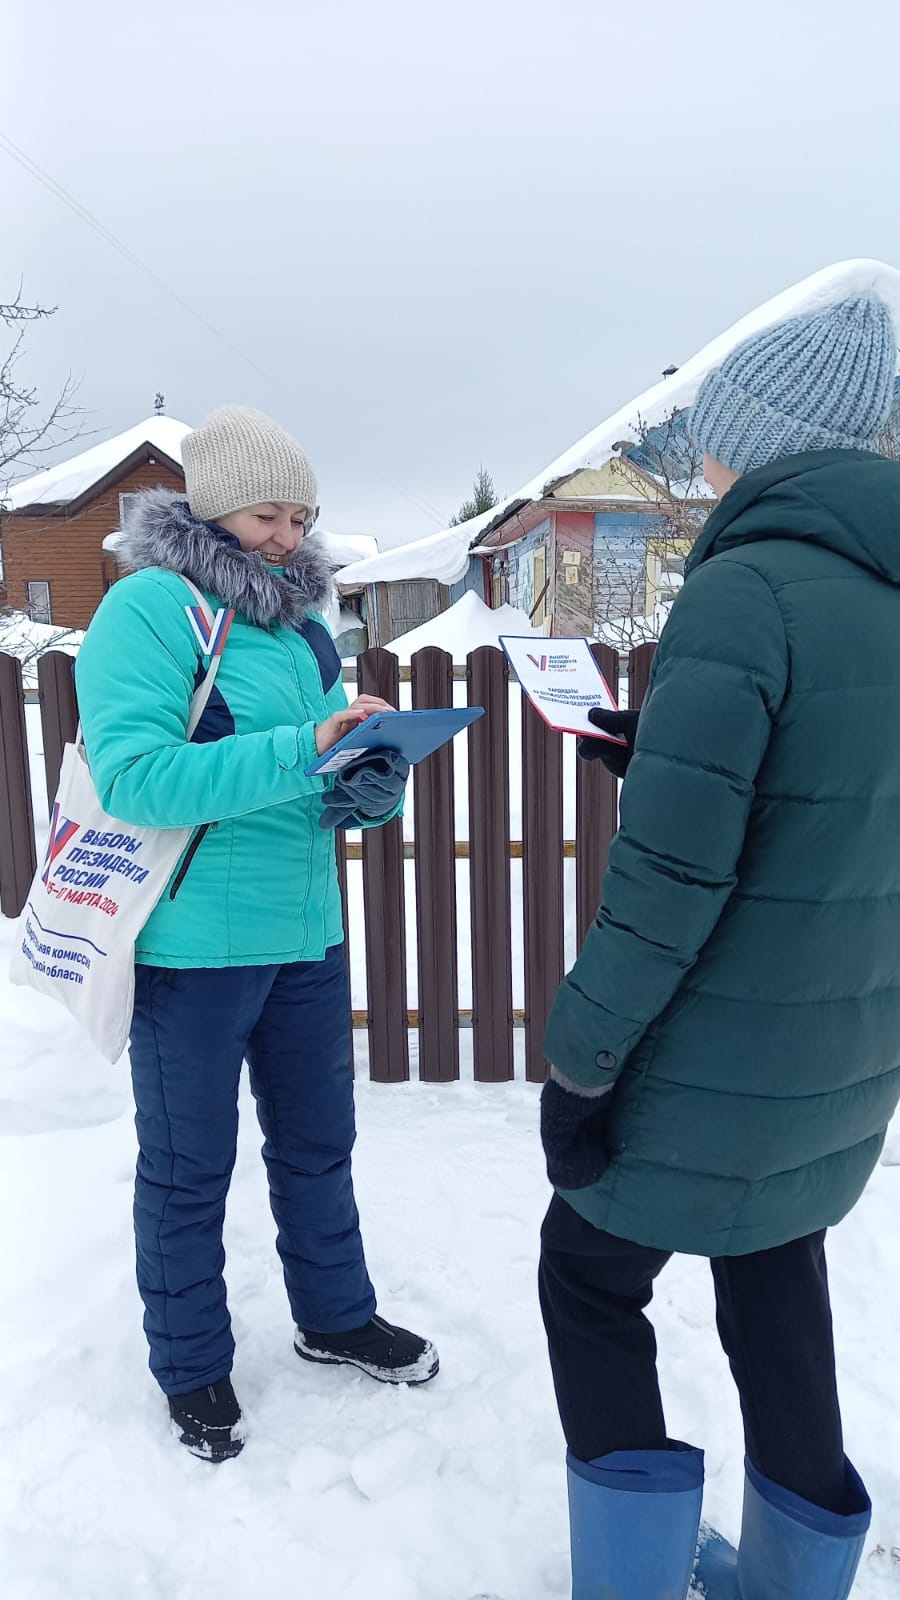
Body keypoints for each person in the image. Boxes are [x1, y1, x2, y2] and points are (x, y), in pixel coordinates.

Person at [538, 295, 900, 1599]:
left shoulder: (747, 592)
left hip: (703, 1067)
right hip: (838, 1065)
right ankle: (795, 1582)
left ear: (759, 442)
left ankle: (629, 1576)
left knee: (585, 1274)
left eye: (714, 439)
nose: (700, 466)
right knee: (775, 1271)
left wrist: (581, 1070)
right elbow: (846, 794)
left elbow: (669, 885)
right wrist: (674, 741)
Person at [75, 405, 437, 1463]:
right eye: (269, 514)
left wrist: (370, 781)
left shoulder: (302, 629)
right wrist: (300, 749)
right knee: (189, 1170)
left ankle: (334, 1317)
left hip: (305, 937)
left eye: (300, 517)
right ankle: (190, 1365)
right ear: (212, 504)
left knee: (320, 1150)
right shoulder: (148, 611)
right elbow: (138, 779)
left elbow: (315, 778)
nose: (288, 536)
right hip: (191, 951)